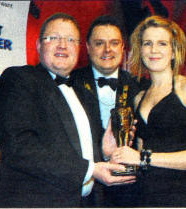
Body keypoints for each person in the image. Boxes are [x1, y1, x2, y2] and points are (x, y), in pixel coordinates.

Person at [0, 13, 135, 208]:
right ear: (39, 46)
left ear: (78, 48)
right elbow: (20, 147)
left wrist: (104, 150)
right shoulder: (19, 79)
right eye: (53, 38)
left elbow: (82, 151)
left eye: (70, 40)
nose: (62, 45)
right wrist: (90, 169)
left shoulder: (84, 93)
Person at [106, 15, 186, 207]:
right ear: (140, 50)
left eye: (162, 43)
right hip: (148, 198)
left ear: (174, 52)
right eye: (148, 43)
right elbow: (138, 158)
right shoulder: (138, 98)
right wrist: (114, 153)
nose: (154, 50)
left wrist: (143, 158)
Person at [71, 15, 140, 207]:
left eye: (114, 43)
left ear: (122, 47)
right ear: (88, 47)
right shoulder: (70, 83)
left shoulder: (139, 87)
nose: (107, 50)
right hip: (84, 188)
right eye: (99, 43)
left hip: (129, 191)